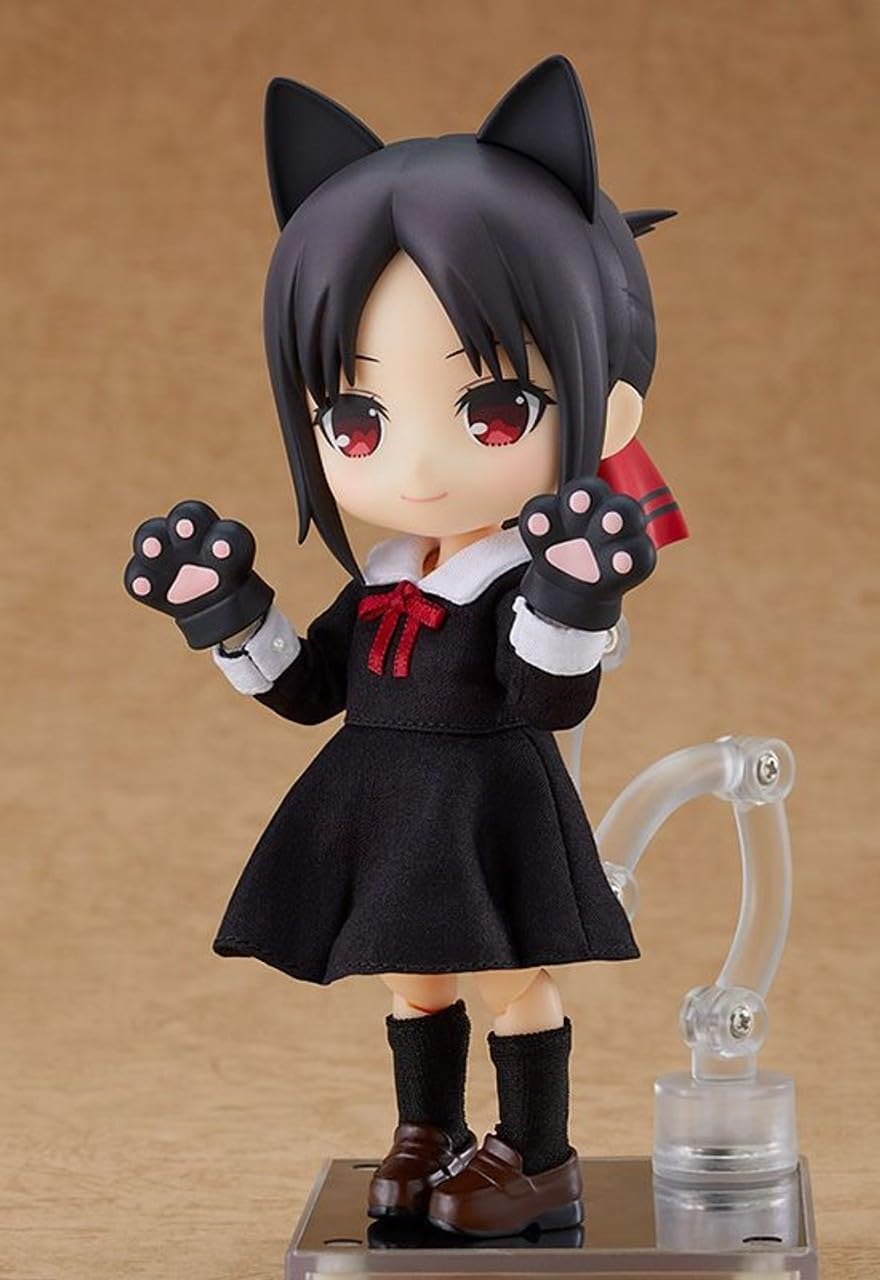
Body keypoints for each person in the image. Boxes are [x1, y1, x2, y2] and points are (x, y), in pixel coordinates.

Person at [124, 55, 686, 1238]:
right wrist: (227, 611)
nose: (419, 464)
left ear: (609, 409)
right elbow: (309, 689)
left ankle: (536, 1154)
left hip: (488, 793)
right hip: (379, 792)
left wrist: (571, 590)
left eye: (492, 410)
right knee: (409, 969)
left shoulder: (517, 574)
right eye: (355, 417)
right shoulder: (384, 572)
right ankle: (425, 1129)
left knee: (510, 971)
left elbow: (548, 694)